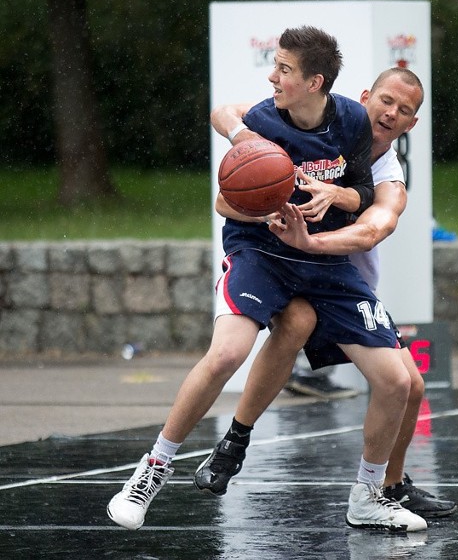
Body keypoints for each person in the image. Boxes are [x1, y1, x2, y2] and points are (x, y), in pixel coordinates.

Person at [107, 26, 426, 533]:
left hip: (329, 260)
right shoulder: (261, 123)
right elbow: (225, 197)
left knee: (399, 381)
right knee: (230, 351)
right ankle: (153, 469)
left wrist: (331, 198)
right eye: (386, 102)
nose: (272, 76)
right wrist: (267, 210)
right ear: (368, 97)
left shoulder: (355, 128)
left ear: (315, 81)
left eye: (283, 69)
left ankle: (371, 494)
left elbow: (370, 207)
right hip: (264, 252)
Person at [196, 67, 456, 519]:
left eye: (405, 111)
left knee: (410, 385)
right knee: (296, 324)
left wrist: (321, 228)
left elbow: (374, 229)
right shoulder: (314, 128)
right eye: (387, 101)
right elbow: (225, 113)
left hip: (337, 274)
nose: (392, 113)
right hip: (281, 264)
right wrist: (245, 141)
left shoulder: (388, 175)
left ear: (412, 125)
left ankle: (389, 486)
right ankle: (234, 441)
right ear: (363, 98)